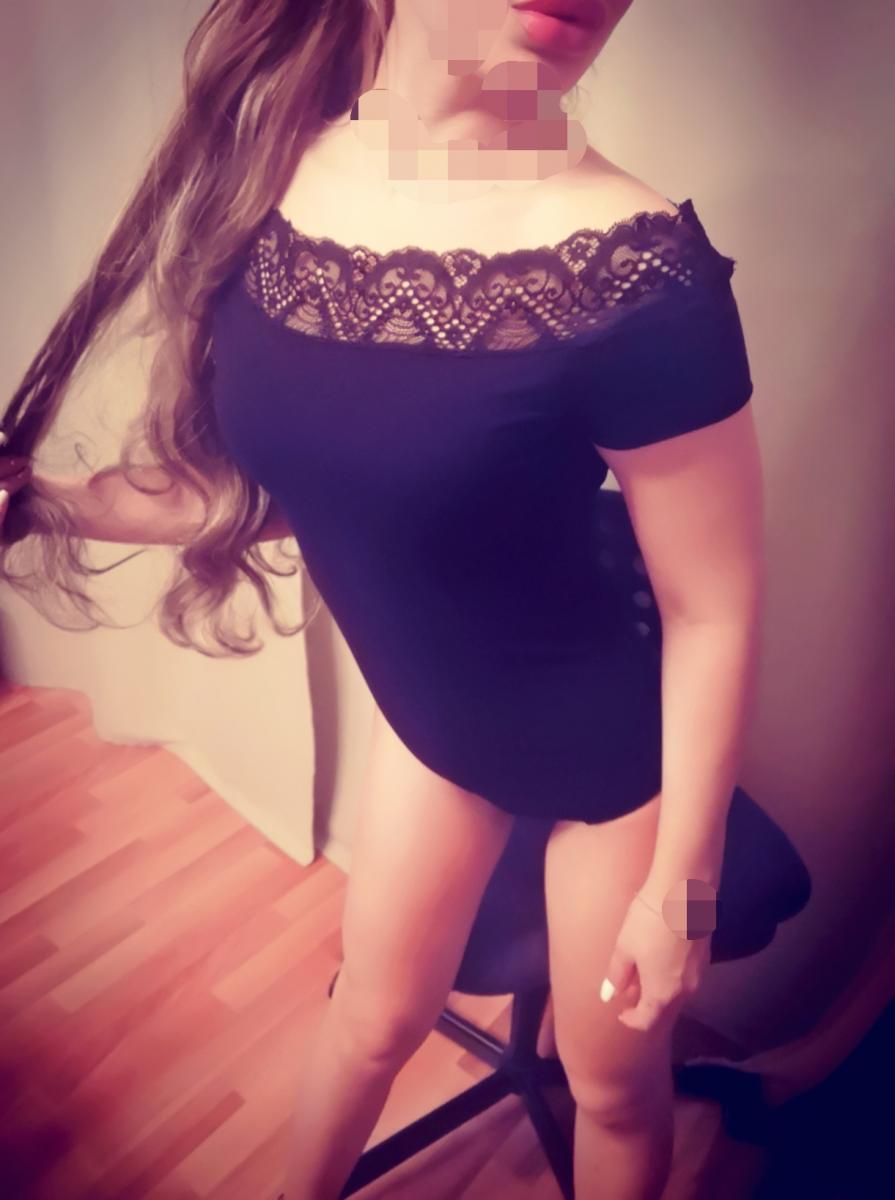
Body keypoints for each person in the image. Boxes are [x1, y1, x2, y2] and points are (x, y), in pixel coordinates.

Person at [0, 3, 764, 1198]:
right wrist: (43, 503)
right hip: (435, 726)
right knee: (369, 1012)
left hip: (614, 760)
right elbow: (273, 490)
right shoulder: (271, 182)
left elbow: (713, 607)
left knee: (613, 1086)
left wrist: (685, 892)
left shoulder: (636, 271)